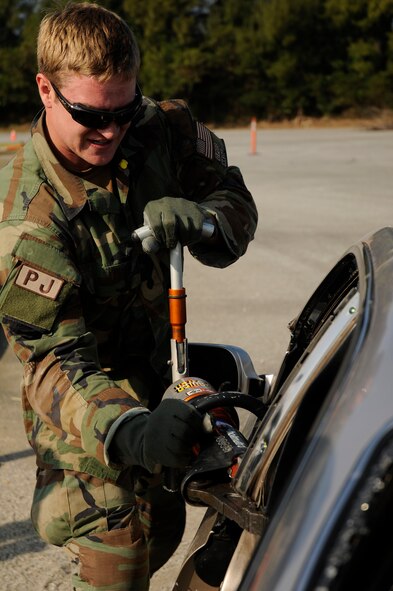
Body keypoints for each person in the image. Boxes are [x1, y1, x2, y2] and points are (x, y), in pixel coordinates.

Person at [0, 2, 257, 590]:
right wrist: (133, 433)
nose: (112, 133)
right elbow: (54, 363)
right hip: (89, 416)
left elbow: (234, 197)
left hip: (160, 379)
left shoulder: (161, 126)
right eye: (91, 115)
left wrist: (207, 221)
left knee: (163, 532)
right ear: (45, 89)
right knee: (120, 557)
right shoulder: (25, 219)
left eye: (125, 109)